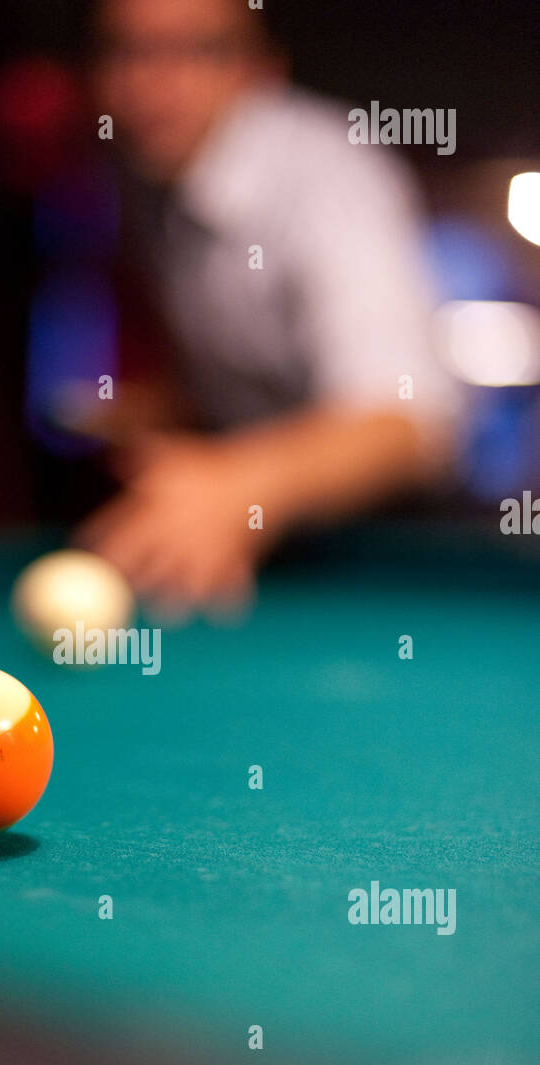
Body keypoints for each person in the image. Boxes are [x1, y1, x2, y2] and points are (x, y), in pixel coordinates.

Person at [73, 0, 461, 614]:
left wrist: (242, 483)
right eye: (127, 51)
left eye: (195, 49)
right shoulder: (148, 176)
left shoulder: (331, 174)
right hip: (262, 551)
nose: (149, 80)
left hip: (387, 555)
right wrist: (164, 404)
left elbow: (410, 421)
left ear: (259, 71)